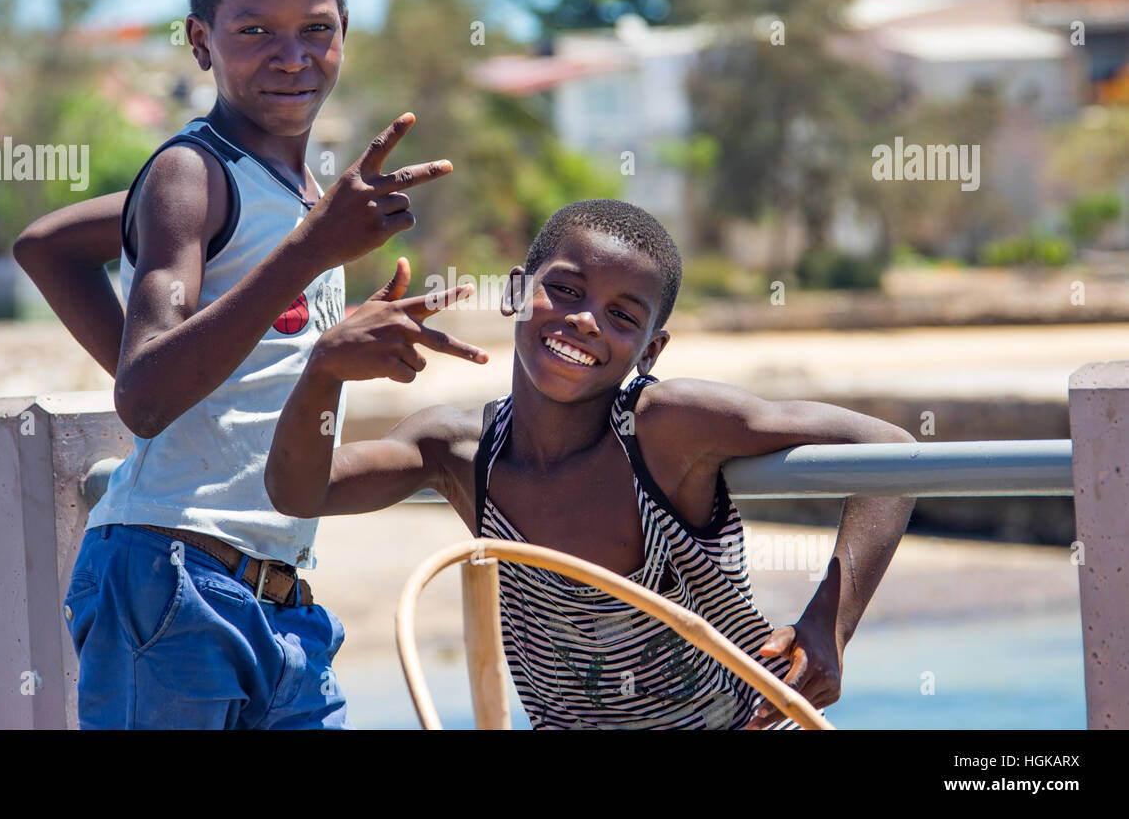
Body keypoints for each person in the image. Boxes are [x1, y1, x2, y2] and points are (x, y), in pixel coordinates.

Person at [13, 0, 478, 728]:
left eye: (317, 28)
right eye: (255, 31)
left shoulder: (294, 195)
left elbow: (47, 245)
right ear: (201, 42)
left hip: (284, 602)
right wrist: (309, 252)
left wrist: (330, 332)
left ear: (346, 31)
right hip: (172, 583)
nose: (292, 56)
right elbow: (145, 399)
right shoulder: (193, 173)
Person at [265, 199, 917, 730]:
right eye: (565, 290)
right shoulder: (459, 450)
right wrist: (324, 368)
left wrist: (827, 626)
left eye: (621, 315)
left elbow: (888, 450)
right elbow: (300, 491)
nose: (584, 321)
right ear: (516, 292)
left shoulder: (666, 428)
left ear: (651, 349)